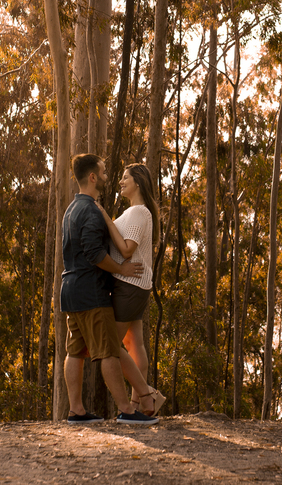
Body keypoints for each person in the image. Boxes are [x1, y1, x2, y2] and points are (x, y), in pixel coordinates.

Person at [60, 153, 159, 426]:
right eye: (103, 172)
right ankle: (129, 408)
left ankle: (76, 410)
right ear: (92, 177)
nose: (109, 177)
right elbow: (95, 253)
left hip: (70, 289)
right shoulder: (91, 210)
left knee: (76, 351)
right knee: (108, 350)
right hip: (92, 292)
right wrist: (120, 269)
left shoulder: (71, 209)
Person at [101, 162, 167, 417]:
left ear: (138, 182)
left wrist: (105, 218)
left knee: (109, 344)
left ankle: (145, 396)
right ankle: (141, 405)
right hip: (133, 285)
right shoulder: (135, 212)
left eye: (125, 177)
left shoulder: (140, 212)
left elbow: (127, 249)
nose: (120, 181)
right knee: (134, 345)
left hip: (130, 286)